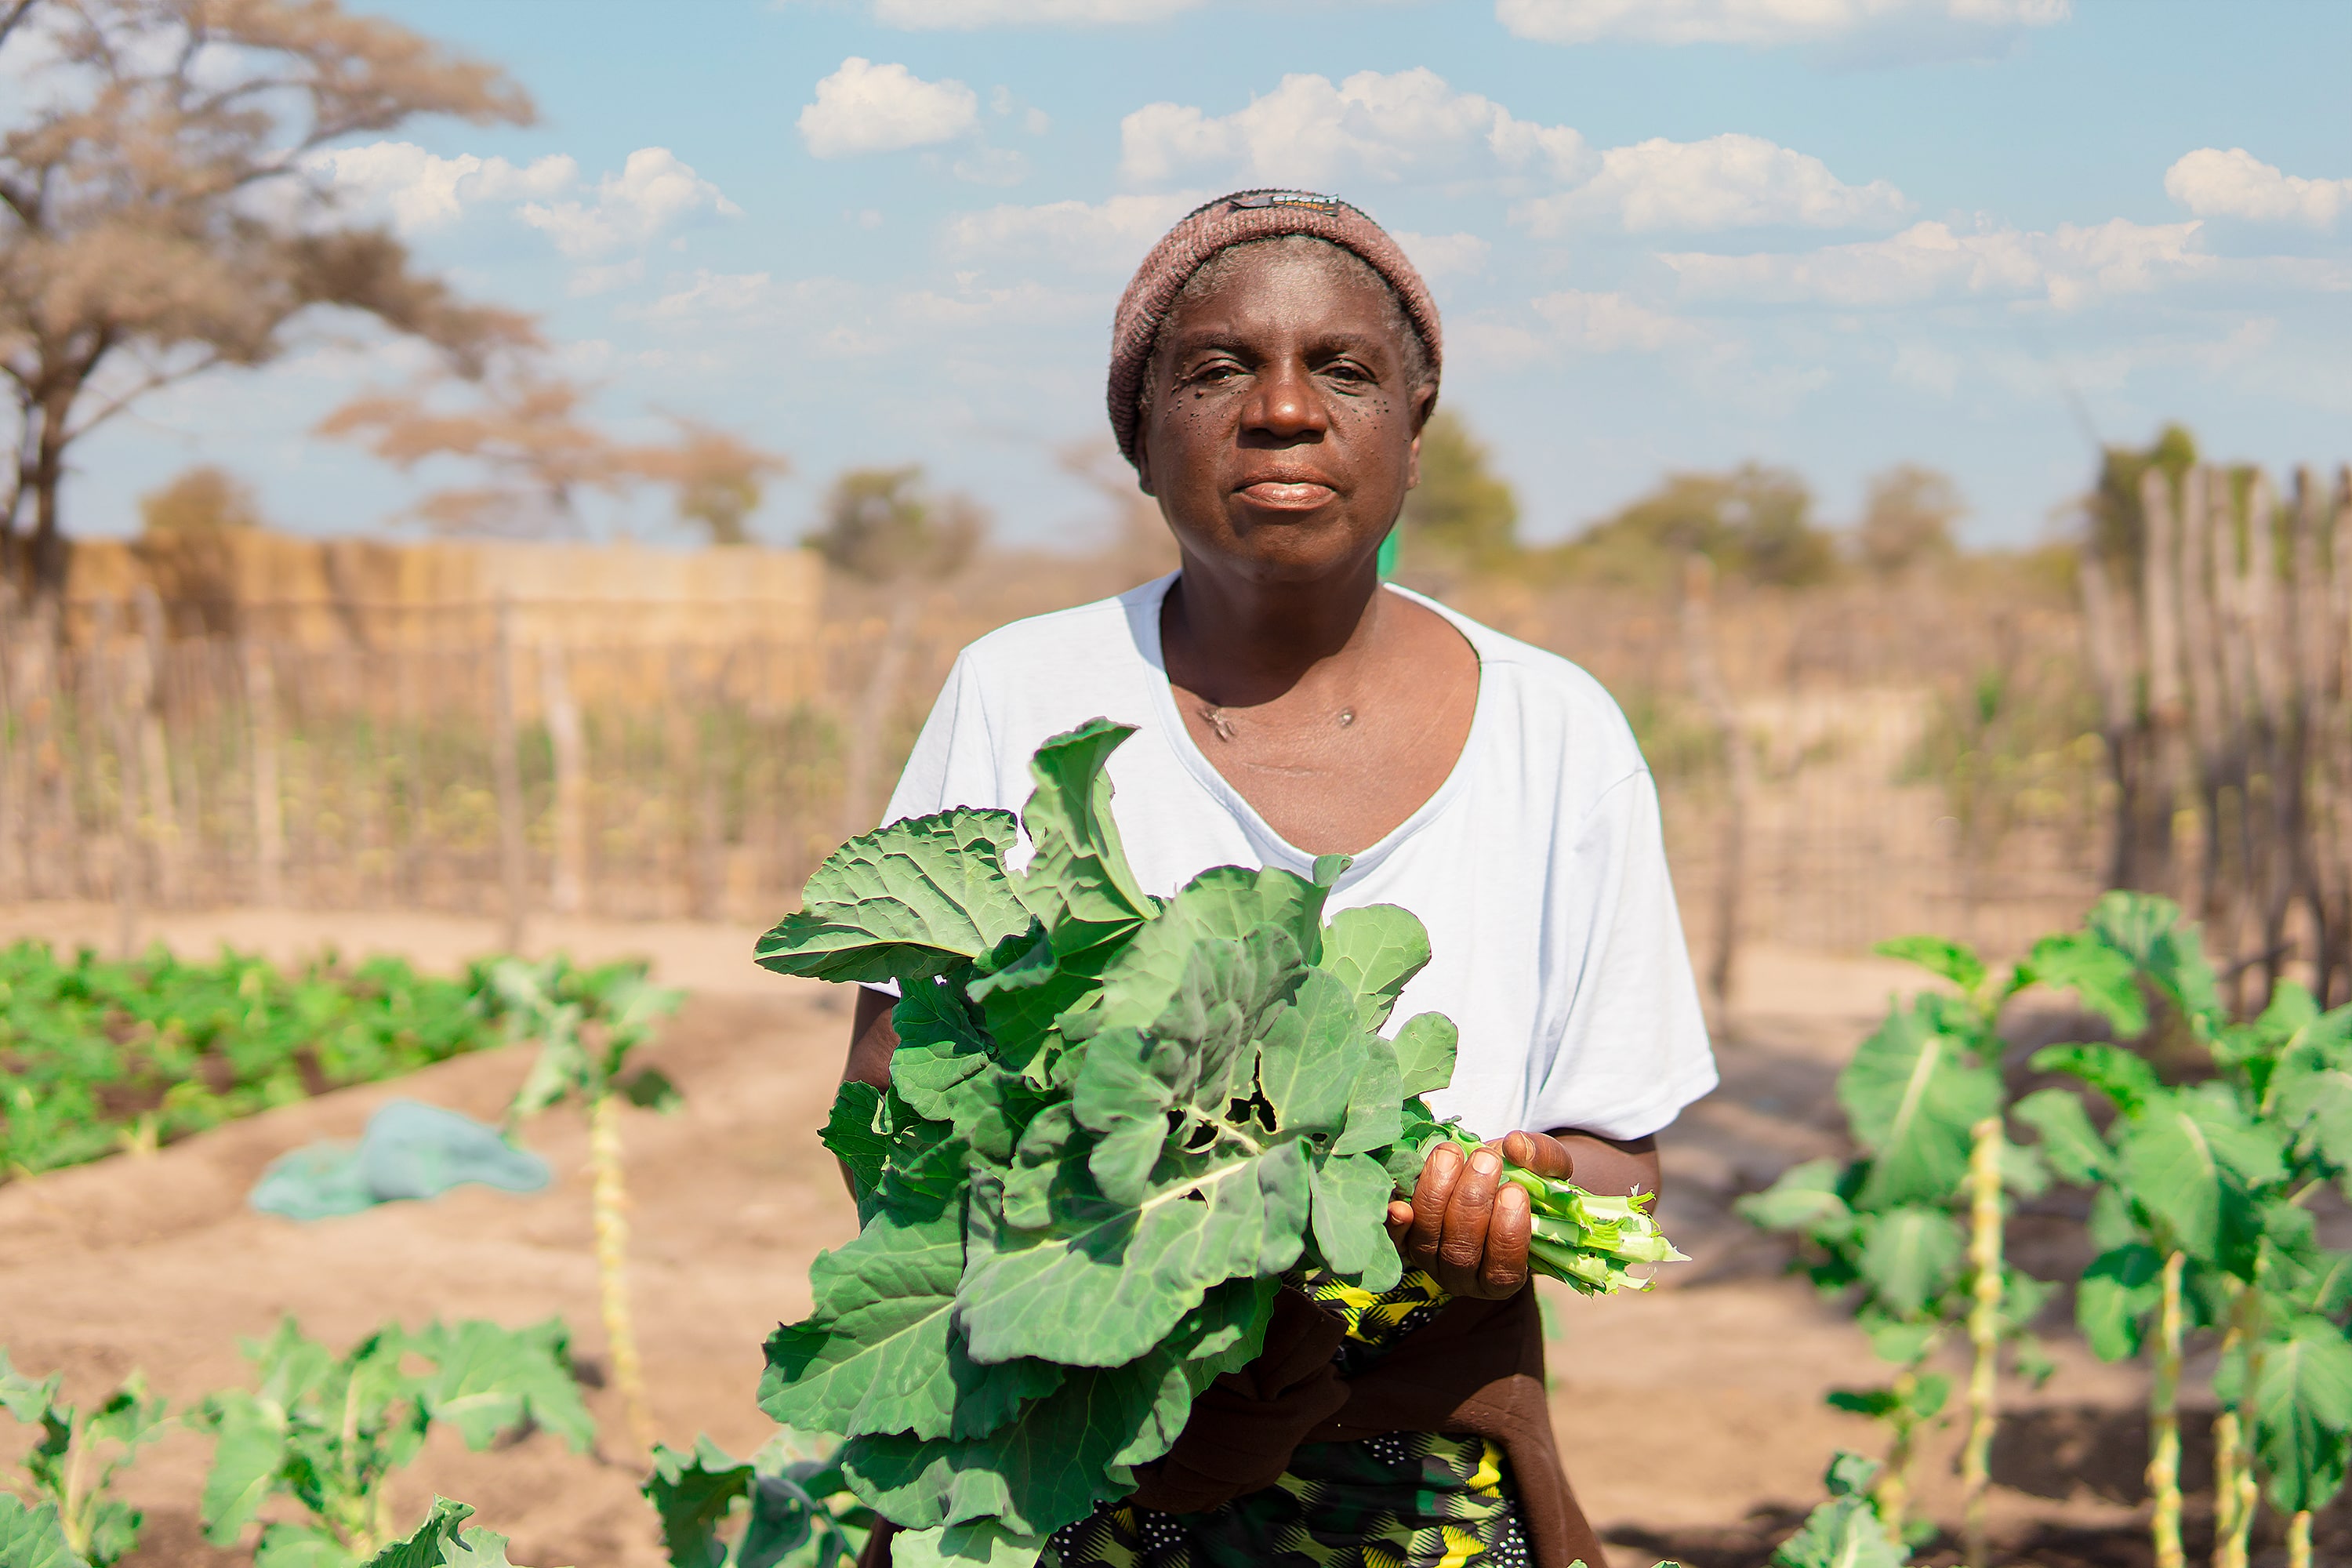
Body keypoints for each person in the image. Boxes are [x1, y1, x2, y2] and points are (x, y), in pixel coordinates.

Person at [840, 190, 1717, 1568]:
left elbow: (1619, 1160)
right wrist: (1101, 1295)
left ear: (1413, 432)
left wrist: (1518, 1198)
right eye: (1218, 370)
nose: (1286, 412)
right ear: (1140, 437)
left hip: (1410, 1483)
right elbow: (897, 1095)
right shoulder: (1023, 692)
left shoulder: (1558, 732)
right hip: (1074, 1442)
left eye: (1344, 371)